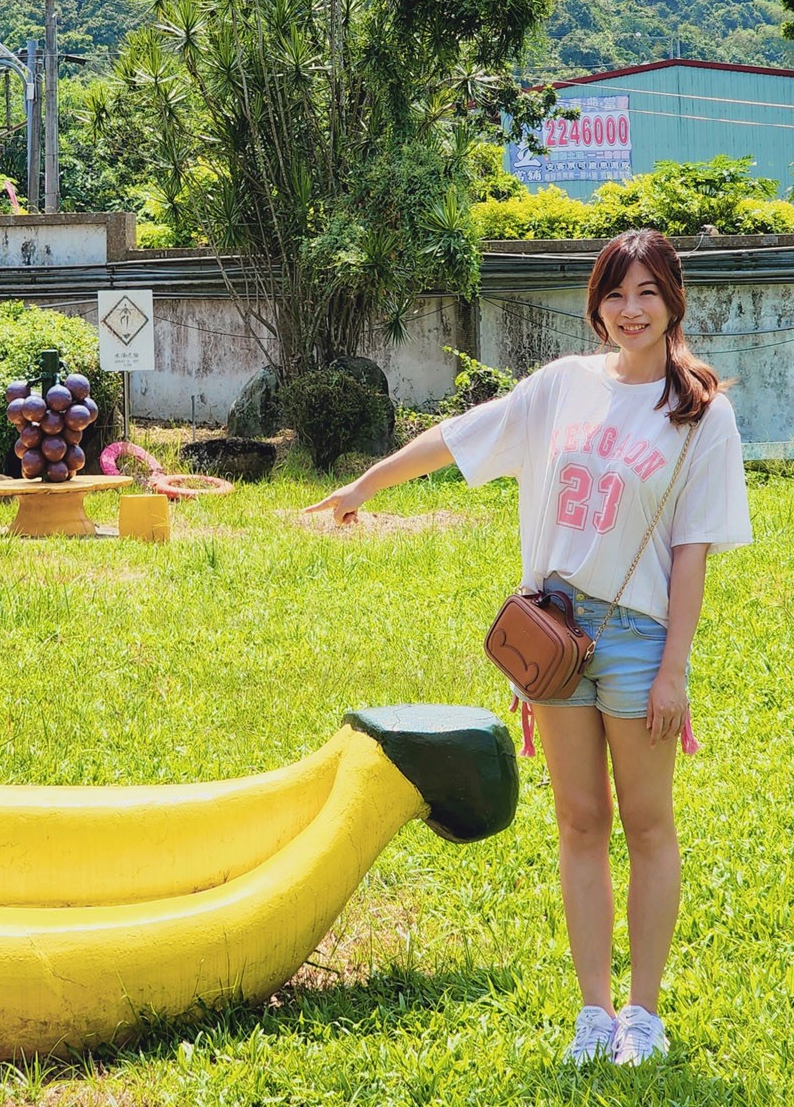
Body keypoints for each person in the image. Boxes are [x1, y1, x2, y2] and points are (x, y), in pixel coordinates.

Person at [306, 229, 751, 1067]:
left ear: (673, 301)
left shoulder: (700, 413)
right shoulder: (560, 388)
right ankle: (594, 1013)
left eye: (647, 293)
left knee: (648, 825)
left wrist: (674, 670)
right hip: (551, 636)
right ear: (597, 303)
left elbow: (692, 549)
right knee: (580, 822)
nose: (630, 311)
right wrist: (365, 485)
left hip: (637, 639)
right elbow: (461, 437)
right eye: (616, 294)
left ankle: (643, 1015)